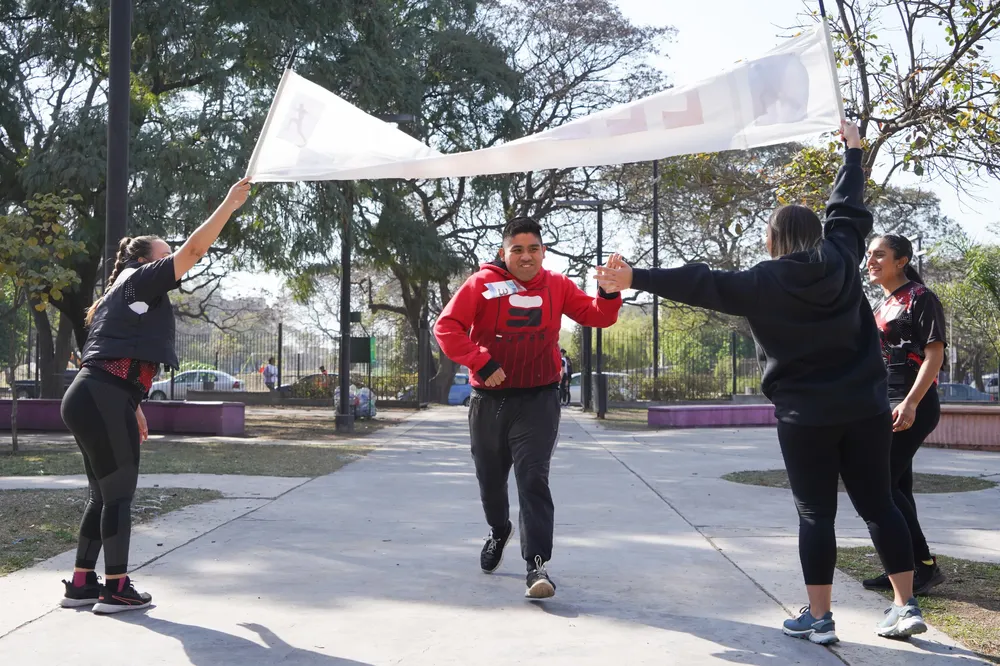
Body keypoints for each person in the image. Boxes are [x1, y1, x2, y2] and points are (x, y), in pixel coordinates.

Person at [596, 122, 926, 643]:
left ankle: (820, 618)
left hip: (805, 417)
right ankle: (906, 607)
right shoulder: (842, 256)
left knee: (816, 513)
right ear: (815, 235)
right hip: (864, 408)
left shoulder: (759, 282)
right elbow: (847, 208)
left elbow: (701, 282)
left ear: (772, 240)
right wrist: (854, 151)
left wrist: (635, 277)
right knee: (880, 503)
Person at [59, 177, 251, 614]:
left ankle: (82, 584)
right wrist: (228, 204)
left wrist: (135, 405)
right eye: (165, 255)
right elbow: (195, 251)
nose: (173, 261)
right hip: (102, 396)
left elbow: (114, 353)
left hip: (92, 395)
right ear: (146, 260)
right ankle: (116, 589)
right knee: (120, 496)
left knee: (102, 495)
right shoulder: (140, 280)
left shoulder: (120, 294)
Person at [434, 216, 622, 599]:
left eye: (533, 248)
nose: (525, 256)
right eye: (517, 249)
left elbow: (598, 316)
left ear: (543, 252)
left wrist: (607, 291)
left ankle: (537, 566)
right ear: (504, 252)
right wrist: (481, 361)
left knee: (533, 478)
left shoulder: (557, 285)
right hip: (489, 401)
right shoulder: (482, 284)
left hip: (539, 398)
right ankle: (499, 529)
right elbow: (446, 327)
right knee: (490, 480)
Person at [862, 233, 947, 595]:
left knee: (879, 484)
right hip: (885, 403)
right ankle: (906, 567)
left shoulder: (920, 297)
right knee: (899, 487)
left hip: (914, 401)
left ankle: (923, 565)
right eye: (869, 255)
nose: (871, 261)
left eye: (880, 255)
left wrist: (911, 402)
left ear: (902, 260)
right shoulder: (881, 305)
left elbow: (934, 355)